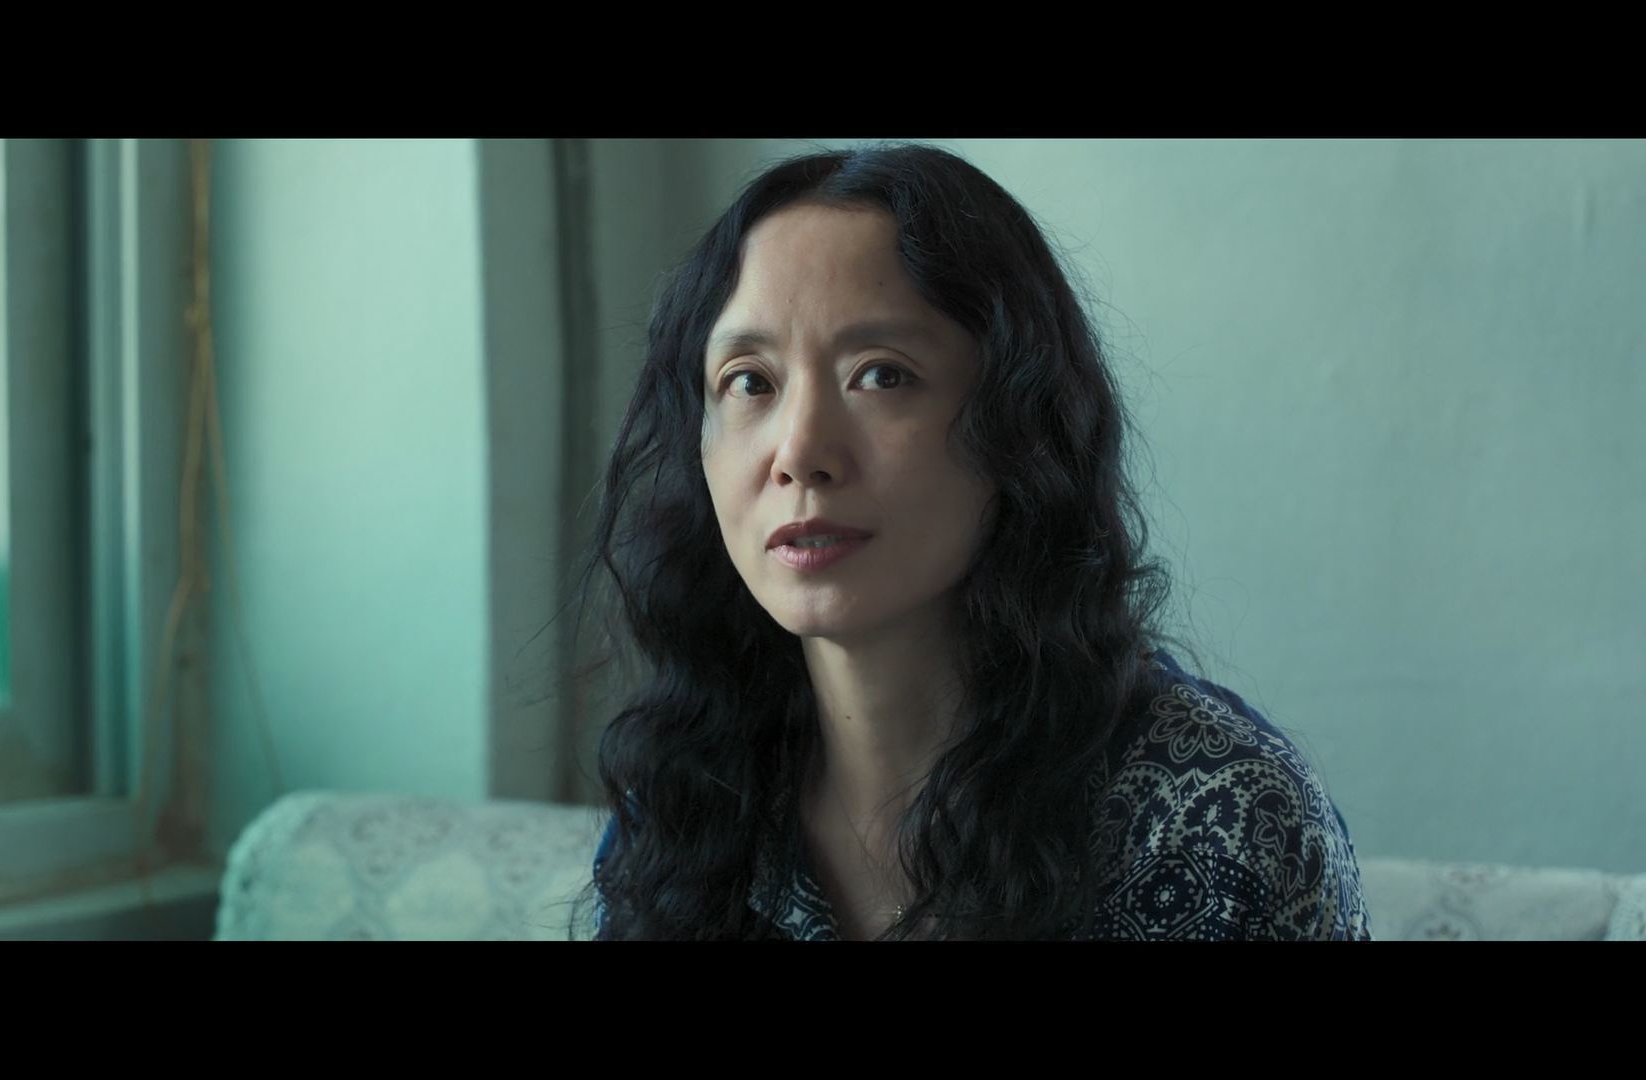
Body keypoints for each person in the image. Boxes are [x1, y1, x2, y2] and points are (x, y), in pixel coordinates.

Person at [573, 143, 1370, 940]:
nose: (800, 452)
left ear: (1018, 426)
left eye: (882, 375)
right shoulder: (684, 800)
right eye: (750, 381)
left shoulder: (1224, 817)